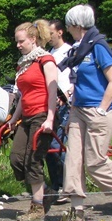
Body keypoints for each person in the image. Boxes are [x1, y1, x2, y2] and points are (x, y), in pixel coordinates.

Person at [56, 4, 112, 221]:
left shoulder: (99, 47)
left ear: (76, 25)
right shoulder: (78, 48)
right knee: (73, 161)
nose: (67, 28)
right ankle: (77, 212)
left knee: (94, 162)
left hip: (98, 111)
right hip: (78, 110)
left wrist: (102, 108)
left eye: (68, 24)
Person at [8, 20, 59, 221]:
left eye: (21, 41)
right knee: (16, 158)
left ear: (33, 39)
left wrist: (50, 118)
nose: (18, 45)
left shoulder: (45, 60)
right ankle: (45, 192)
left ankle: (37, 207)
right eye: (16, 42)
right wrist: (13, 119)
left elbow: (53, 90)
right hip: (26, 116)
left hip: (41, 115)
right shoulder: (25, 64)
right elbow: (23, 94)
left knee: (33, 160)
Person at [46, 19, 73, 201]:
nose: (48, 37)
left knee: (60, 146)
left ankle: (66, 186)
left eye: (51, 33)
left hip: (66, 104)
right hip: (52, 103)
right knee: (48, 146)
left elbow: (73, 76)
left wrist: (69, 94)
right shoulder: (50, 53)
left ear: (60, 32)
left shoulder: (70, 51)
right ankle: (55, 185)